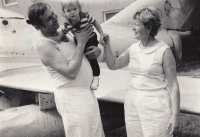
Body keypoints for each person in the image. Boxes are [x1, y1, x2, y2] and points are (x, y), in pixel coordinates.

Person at [27, 2, 105, 137]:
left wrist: (97, 51)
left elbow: (82, 52)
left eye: (53, 14)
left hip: (88, 94)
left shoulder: (63, 32)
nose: (55, 18)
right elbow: (71, 73)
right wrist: (80, 43)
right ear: (38, 26)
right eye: (49, 18)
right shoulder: (44, 45)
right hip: (72, 100)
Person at [100, 6, 180, 137]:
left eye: (136, 25)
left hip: (156, 106)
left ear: (148, 28)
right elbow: (113, 65)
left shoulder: (163, 51)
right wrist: (107, 46)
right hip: (132, 104)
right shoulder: (133, 49)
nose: (132, 28)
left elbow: (173, 85)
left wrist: (175, 115)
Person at [53, 0, 108, 90]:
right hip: (79, 41)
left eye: (74, 9)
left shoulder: (85, 17)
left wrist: (101, 33)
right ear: (64, 13)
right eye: (68, 10)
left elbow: (95, 23)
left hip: (91, 38)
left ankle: (96, 78)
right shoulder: (68, 24)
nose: (72, 12)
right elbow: (64, 32)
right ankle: (87, 78)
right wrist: (58, 37)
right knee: (82, 59)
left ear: (79, 9)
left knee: (92, 58)